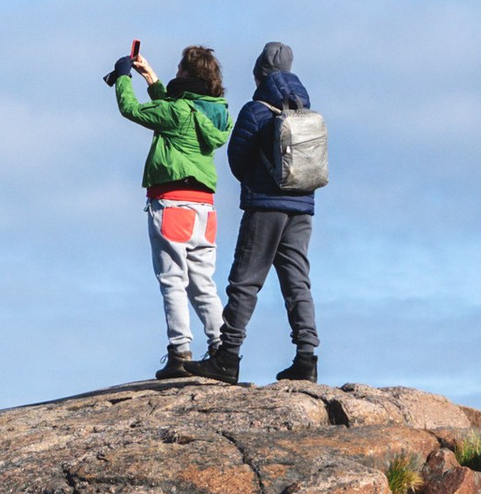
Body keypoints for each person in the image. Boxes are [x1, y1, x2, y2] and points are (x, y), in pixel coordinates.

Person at [104, 39, 231, 385]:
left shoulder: (178, 112)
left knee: (172, 280)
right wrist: (152, 79)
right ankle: (222, 349)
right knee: (203, 282)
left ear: (187, 74)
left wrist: (122, 78)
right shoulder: (216, 112)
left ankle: (179, 352)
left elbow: (134, 111)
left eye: (179, 70)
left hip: (172, 203)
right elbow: (176, 114)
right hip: (205, 207)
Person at [207, 39, 320, 383]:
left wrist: (259, 183)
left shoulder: (256, 109)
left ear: (260, 75)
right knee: (297, 282)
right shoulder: (306, 110)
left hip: (265, 207)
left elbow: (237, 160)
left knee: (245, 280)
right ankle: (306, 358)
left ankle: (227, 356)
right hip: (302, 205)